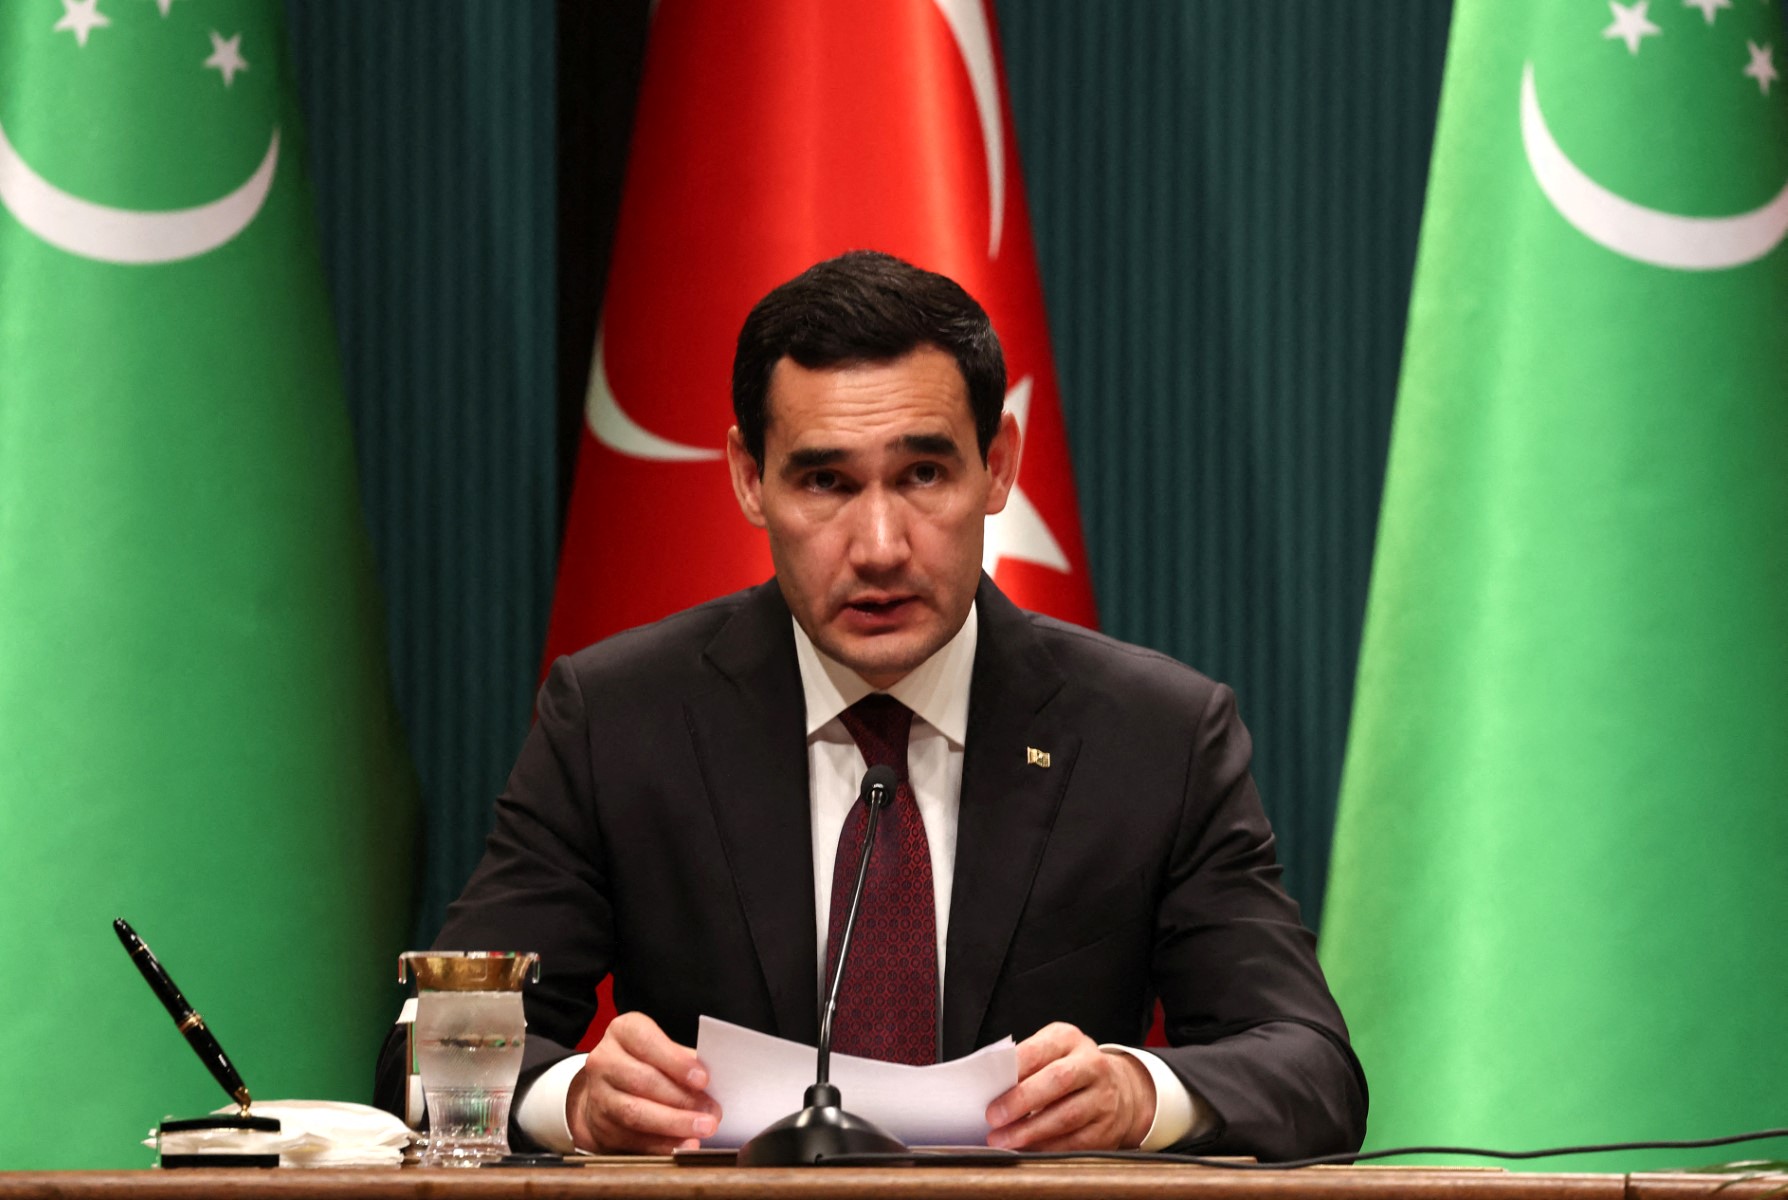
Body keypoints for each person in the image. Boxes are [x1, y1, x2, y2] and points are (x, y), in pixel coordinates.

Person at [377, 250, 1366, 1160]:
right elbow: (422, 1056)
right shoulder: (620, 720)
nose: (882, 544)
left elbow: (1312, 1072)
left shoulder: (1153, 735)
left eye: (924, 473)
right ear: (748, 481)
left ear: (1000, 466)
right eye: (825, 482)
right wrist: (574, 1096)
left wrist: (1140, 1092)